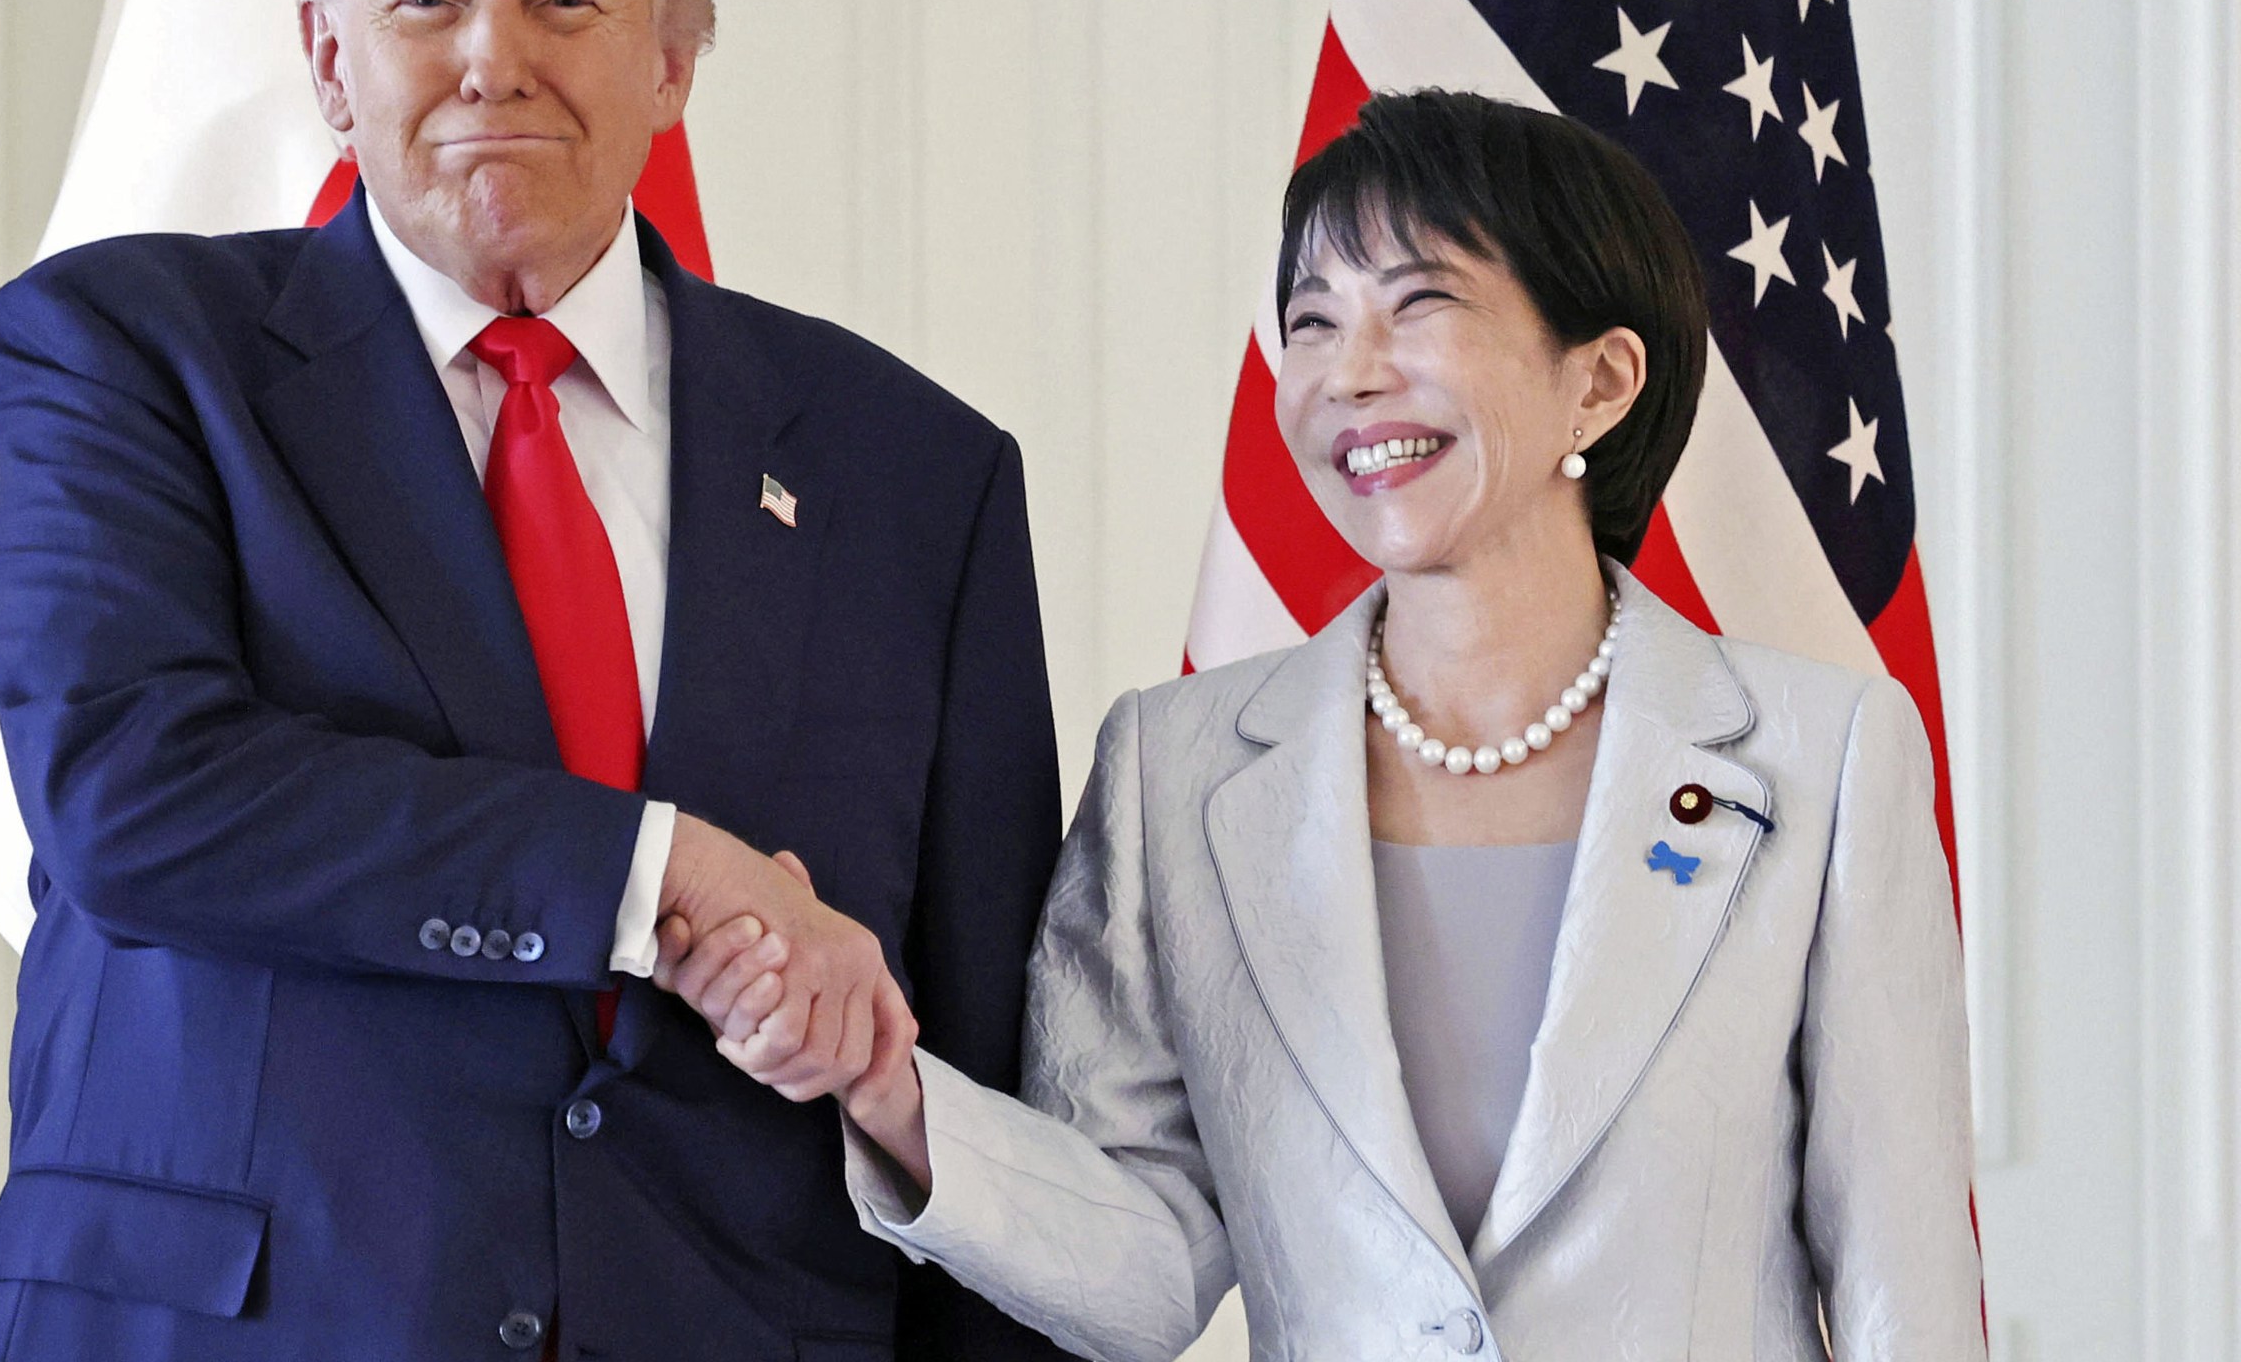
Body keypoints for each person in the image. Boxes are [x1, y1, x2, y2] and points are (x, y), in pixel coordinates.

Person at [664, 90, 1985, 1361]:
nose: (1345, 375)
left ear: (1600, 382)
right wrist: (887, 1086)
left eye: (1418, 306)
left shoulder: (1824, 756)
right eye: (1309, 321)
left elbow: (1901, 1287)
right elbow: (1147, 1270)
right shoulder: (1171, 771)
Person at [0, 0, 1071, 1358]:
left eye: (561, 1)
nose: (495, 59)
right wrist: (656, 873)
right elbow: (132, 793)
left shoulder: (914, 473)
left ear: (672, 57)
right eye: (427, 3)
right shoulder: (128, 352)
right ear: (327, 60)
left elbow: (980, 1091)